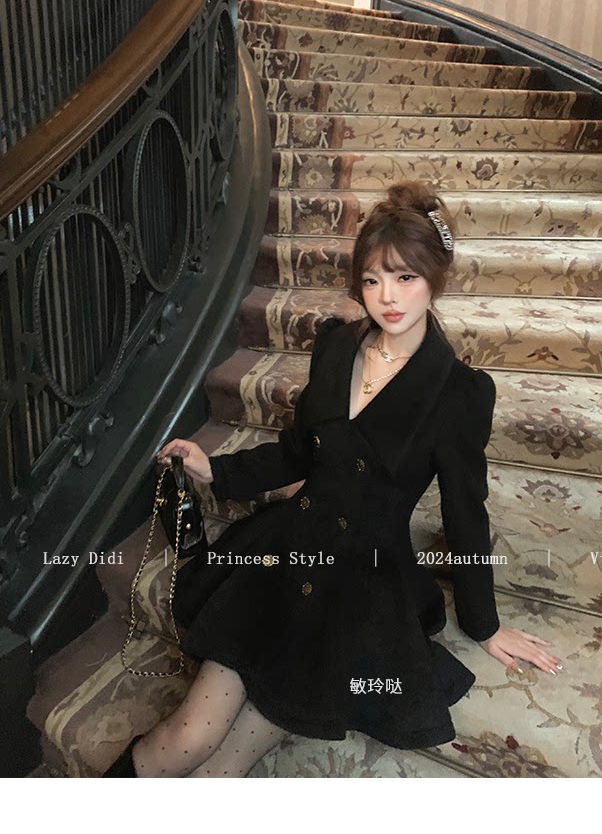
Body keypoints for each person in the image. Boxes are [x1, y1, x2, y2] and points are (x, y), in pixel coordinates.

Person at [104, 180, 561, 778]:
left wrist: (485, 624)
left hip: (358, 590)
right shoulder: (338, 348)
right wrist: (217, 468)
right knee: (188, 738)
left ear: (435, 278)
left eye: (405, 277)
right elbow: (302, 452)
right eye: (372, 280)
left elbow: (465, 513)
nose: (387, 297)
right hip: (287, 553)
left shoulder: (459, 394)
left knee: (222, 771)